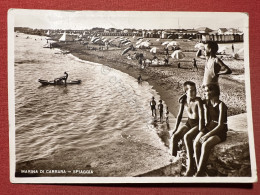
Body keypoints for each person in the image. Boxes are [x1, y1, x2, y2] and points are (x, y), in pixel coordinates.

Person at [193, 84, 228, 176]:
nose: (205, 93)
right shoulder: (208, 102)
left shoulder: (221, 105)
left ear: (214, 92)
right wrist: (184, 95)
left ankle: (199, 173)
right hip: (209, 127)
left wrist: (207, 135)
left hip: (220, 131)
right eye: (205, 91)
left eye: (207, 91)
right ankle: (199, 168)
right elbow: (195, 99)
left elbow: (220, 125)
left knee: (205, 144)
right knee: (196, 142)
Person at [171, 81, 204, 162]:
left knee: (187, 137)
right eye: (191, 91)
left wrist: (201, 129)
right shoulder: (184, 101)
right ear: (186, 92)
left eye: (195, 90)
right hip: (189, 123)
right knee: (175, 136)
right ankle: (174, 158)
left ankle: (191, 163)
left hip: (197, 124)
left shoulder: (198, 101)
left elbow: (202, 117)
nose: (194, 92)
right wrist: (175, 128)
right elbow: (179, 115)